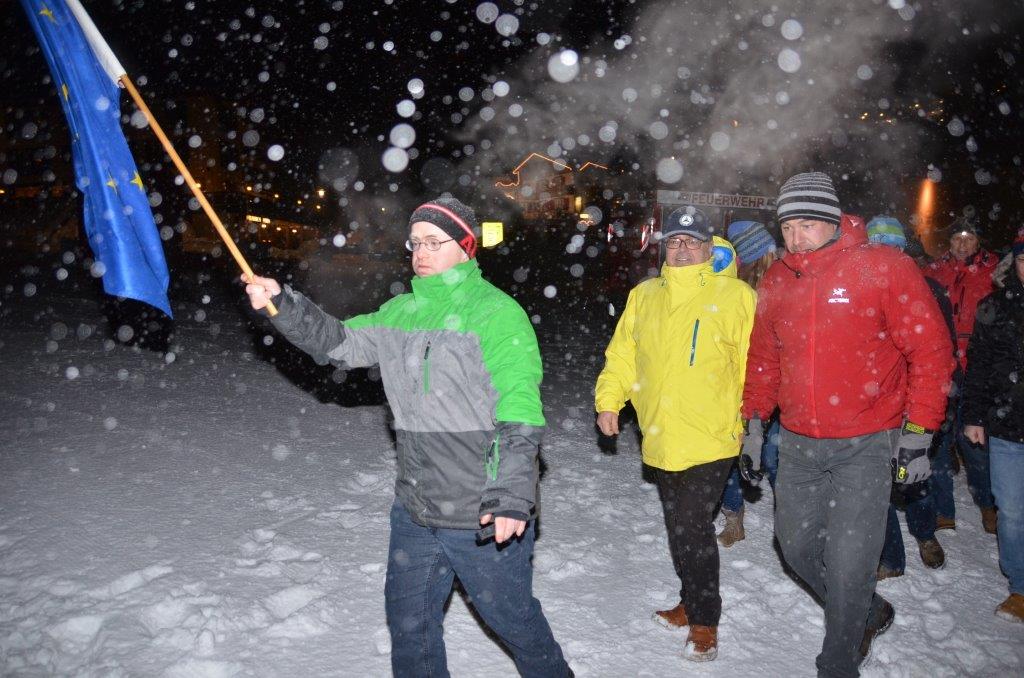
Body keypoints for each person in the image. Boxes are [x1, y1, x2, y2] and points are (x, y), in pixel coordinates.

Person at [243, 195, 571, 678]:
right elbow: (339, 342)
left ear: (465, 246)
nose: (421, 252)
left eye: (434, 242)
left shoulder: (497, 314)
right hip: (415, 508)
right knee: (409, 625)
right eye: (415, 242)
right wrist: (283, 304)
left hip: (479, 509)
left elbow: (520, 407)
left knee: (514, 621)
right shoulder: (400, 312)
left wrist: (510, 493)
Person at [743, 173, 954, 678]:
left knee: (849, 561)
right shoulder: (778, 280)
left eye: (807, 225)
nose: (796, 238)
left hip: (868, 441)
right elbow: (764, 360)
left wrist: (918, 434)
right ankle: (865, 609)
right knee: (795, 546)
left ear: (834, 220)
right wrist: (753, 424)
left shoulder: (884, 268)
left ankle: (837, 662)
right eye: (787, 227)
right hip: (798, 443)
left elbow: (930, 351)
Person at [595, 206, 756, 662]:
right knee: (680, 527)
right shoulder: (644, 295)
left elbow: (753, 364)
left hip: (713, 434)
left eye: (691, 241)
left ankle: (704, 620)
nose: (682, 249)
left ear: (709, 247)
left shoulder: (735, 296)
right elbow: (623, 354)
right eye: (674, 242)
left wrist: (754, 422)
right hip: (660, 432)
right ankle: (690, 600)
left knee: (691, 526)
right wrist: (610, 400)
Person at [866, 216, 950, 578]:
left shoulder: (929, 290)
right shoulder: (859, 290)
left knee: (914, 481)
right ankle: (891, 558)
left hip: (913, 405)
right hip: (875, 406)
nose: (884, 255)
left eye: (891, 246)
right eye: (876, 246)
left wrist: (929, 415)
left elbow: (940, 354)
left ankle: (926, 534)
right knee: (877, 485)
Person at [962, 231, 1024, 623]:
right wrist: (973, 415)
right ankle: (1020, 587)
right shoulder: (995, 307)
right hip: (1008, 428)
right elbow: (979, 365)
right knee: (1012, 511)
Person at [926, 220, 1000, 533]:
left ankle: (988, 503)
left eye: (969, 238)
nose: (962, 244)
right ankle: (944, 509)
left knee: (973, 441)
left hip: (977, 365)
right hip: (941, 365)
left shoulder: (994, 271)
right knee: (938, 439)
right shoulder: (935, 271)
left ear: (978, 242)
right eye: (957, 238)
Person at [717, 219, 782, 547]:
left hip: (777, 386)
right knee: (734, 450)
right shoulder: (736, 290)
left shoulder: (785, 283)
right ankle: (733, 516)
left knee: (773, 455)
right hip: (741, 384)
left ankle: (793, 521)